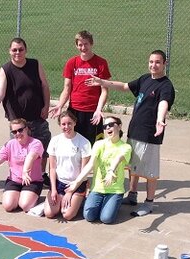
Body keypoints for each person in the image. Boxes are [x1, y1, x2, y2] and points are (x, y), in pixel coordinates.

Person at [86, 50, 175, 217]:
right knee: (133, 166)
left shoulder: (166, 86)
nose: (153, 65)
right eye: (151, 61)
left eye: (157, 62)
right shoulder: (145, 79)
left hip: (150, 135)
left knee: (149, 172)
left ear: (164, 64)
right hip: (135, 132)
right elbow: (125, 86)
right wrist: (102, 82)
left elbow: (163, 103)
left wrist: (160, 119)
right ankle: (132, 195)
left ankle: (149, 203)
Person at [0, 38, 51, 183]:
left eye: (20, 49)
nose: (17, 52)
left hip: (37, 116)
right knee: (18, 151)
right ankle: (17, 176)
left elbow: (44, 86)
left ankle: (42, 174)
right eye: (14, 50)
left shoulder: (35, 64)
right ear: (9, 51)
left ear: (26, 50)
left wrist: (46, 106)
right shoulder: (5, 70)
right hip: (17, 122)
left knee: (42, 148)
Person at [49, 30, 112, 146]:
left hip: (93, 113)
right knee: (72, 145)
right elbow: (66, 88)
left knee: (94, 146)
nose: (83, 47)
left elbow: (104, 91)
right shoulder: (71, 63)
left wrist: (99, 109)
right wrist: (60, 105)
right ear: (76, 45)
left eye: (86, 44)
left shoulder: (101, 63)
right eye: (80, 45)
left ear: (91, 43)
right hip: (74, 111)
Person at [67, 116, 131, 224]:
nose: (108, 128)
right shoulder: (99, 144)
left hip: (115, 190)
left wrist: (111, 171)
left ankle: (114, 203)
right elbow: (91, 164)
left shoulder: (125, 147)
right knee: (89, 216)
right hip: (97, 188)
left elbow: (118, 158)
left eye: (111, 125)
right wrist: (77, 182)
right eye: (105, 126)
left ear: (119, 126)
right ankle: (101, 203)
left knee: (106, 219)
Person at [43, 110, 91, 221]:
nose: (67, 126)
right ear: (60, 125)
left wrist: (70, 191)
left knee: (67, 215)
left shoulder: (84, 143)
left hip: (77, 183)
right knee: (49, 213)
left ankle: (80, 198)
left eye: (69, 123)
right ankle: (61, 198)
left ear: (75, 122)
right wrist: (53, 189)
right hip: (60, 182)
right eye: (63, 124)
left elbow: (84, 171)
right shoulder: (55, 141)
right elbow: (52, 168)